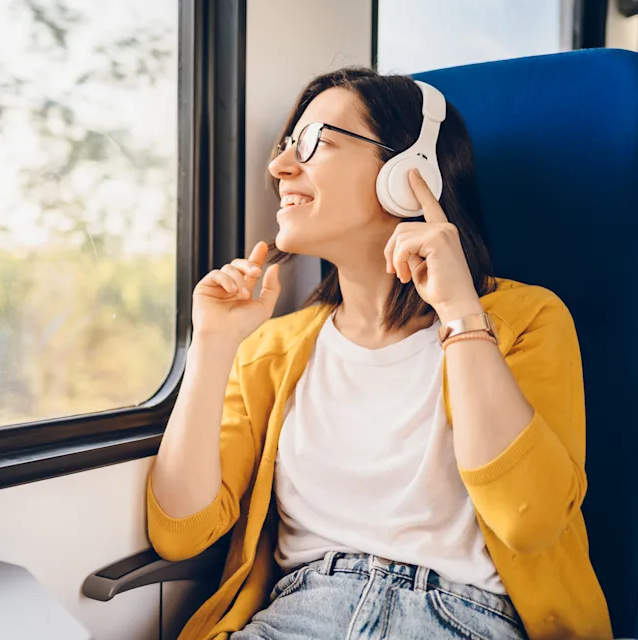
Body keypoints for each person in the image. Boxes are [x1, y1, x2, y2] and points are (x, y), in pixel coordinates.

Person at [147, 67, 612, 640]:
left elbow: (530, 520)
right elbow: (181, 530)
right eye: (286, 145)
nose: (279, 167)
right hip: (302, 611)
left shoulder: (526, 321)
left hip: (464, 619)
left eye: (314, 143)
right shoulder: (272, 350)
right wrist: (213, 345)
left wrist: (461, 316)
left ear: (406, 173)